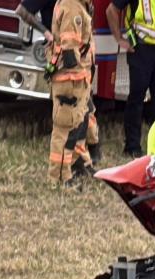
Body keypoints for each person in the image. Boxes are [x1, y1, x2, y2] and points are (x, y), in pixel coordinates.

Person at [17, 0, 101, 169]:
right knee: (73, 115)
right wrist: (47, 33)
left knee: (85, 109)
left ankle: (91, 149)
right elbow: (22, 11)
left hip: (82, 64)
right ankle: (76, 162)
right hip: (66, 64)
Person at [106, 0, 155, 158]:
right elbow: (111, 10)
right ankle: (132, 147)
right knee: (136, 99)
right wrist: (119, 39)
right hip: (141, 50)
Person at [45, 0, 96, 188]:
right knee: (64, 128)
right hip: (70, 79)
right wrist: (75, 72)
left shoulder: (79, 4)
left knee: (79, 123)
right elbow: (69, 47)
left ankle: (78, 163)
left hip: (78, 77)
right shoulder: (73, 5)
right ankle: (59, 177)